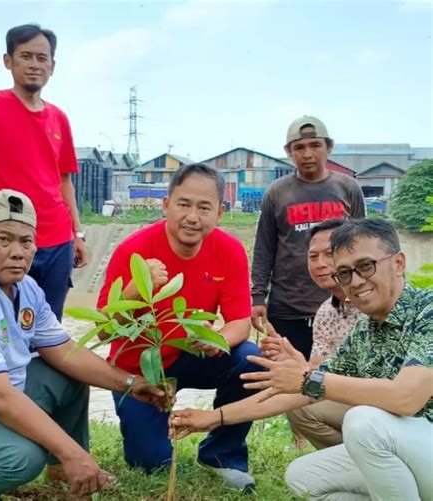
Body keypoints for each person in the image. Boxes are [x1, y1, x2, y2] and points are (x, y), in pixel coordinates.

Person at [173, 219, 432, 500]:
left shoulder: (426, 311)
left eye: (366, 266)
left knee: (364, 419)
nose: (356, 281)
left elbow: (406, 398)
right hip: (408, 454)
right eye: (345, 273)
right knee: (303, 477)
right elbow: (303, 393)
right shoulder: (365, 331)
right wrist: (215, 417)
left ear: (398, 263)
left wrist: (309, 378)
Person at [0, 189, 167, 500]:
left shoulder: (25, 288)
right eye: (3, 240)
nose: (17, 252)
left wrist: (129, 383)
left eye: (26, 242)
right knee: (22, 457)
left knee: (68, 373)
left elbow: (65, 352)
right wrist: (72, 452)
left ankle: (65, 473)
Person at [97, 163, 260, 490]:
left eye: (204, 207)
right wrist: (135, 289)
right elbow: (104, 331)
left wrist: (220, 340)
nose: (193, 216)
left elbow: (240, 322)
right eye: (184, 204)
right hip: (140, 367)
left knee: (248, 358)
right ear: (166, 205)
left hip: (191, 352)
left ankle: (222, 456)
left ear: (220, 213)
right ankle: (151, 431)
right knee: (150, 464)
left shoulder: (229, 251)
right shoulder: (134, 250)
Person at [0, 24, 86, 321]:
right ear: (8, 61)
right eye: (25, 56)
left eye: (42, 58)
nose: (34, 65)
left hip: (56, 240)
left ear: (52, 66)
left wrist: (77, 234)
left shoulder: (59, 118)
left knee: (48, 323)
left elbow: (64, 179)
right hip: (4, 236)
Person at [251, 116, 365, 360]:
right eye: (299, 148)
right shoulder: (277, 192)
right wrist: (258, 296)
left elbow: (363, 245)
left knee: (337, 379)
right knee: (285, 376)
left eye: (315, 145)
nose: (307, 154)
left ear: (329, 147)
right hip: (288, 307)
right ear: (288, 152)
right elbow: (264, 248)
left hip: (340, 307)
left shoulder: (348, 187)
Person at [261, 218, 361, 450]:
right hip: (351, 399)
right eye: (313, 256)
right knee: (298, 401)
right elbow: (318, 368)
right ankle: (350, 462)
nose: (320, 264)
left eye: (330, 254)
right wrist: (290, 362)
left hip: (392, 403)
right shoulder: (326, 312)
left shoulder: (370, 302)